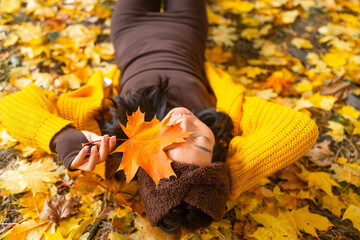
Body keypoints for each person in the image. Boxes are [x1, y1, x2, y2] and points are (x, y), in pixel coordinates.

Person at [0, 0, 319, 234]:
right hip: (188, 29)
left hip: (130, 26)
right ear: (215, 155)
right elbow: (300, 129)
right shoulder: (225, 126)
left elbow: (11, 106)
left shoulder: (114, 144)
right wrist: (225, 181)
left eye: (172, 141)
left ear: (145, 158)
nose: (185, 122)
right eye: (200, 141)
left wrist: (60, 136)